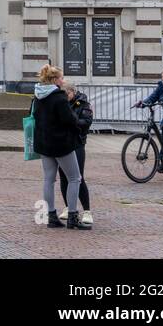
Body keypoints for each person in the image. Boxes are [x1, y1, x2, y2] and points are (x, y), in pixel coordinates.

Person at [33, 65, 90, 230]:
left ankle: (51, 216)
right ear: (54, 80)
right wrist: (77, 128)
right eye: (60, 78)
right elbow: (69, 119)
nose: (62, 81)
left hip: (44, 142)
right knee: (75, 178)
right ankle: (73, 216)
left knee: (48, 179)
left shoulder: (38, 96)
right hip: (61, 143)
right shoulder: (58, 97)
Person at [62, 83, 94, 226]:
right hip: (62, 143)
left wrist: (71, 122)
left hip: (77, 143)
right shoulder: (62, 103)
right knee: (63, 177)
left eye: (66, 94)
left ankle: (87, 211)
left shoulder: (84, 104)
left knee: (78, 176)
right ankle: (68, 207)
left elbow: (86, 122)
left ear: (73, 92)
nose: (65, 97)